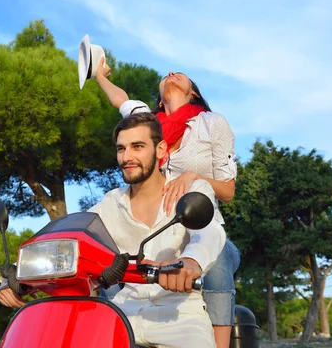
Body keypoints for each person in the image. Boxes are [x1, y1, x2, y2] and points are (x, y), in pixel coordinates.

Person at [0, 112, 226, 348]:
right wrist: (16, 276)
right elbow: (65, 239)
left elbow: (209, 232)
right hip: (122, 314)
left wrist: (191, 262)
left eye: (137, 147)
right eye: (121, 149)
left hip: (180, 315)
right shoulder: (108, 206)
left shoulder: (190, 191)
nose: (127, 157)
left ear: (160, 150)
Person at [95, 58, 240, 348]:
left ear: (194, 93)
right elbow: (121, 100)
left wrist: (192, 177)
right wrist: (98, 75)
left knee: (217, 259)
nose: (172, 73)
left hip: (198, 220)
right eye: (123, 148)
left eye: (181, 75)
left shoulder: (212, 124)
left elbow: (228, 191)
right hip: (155, 230)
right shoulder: (148, 122)